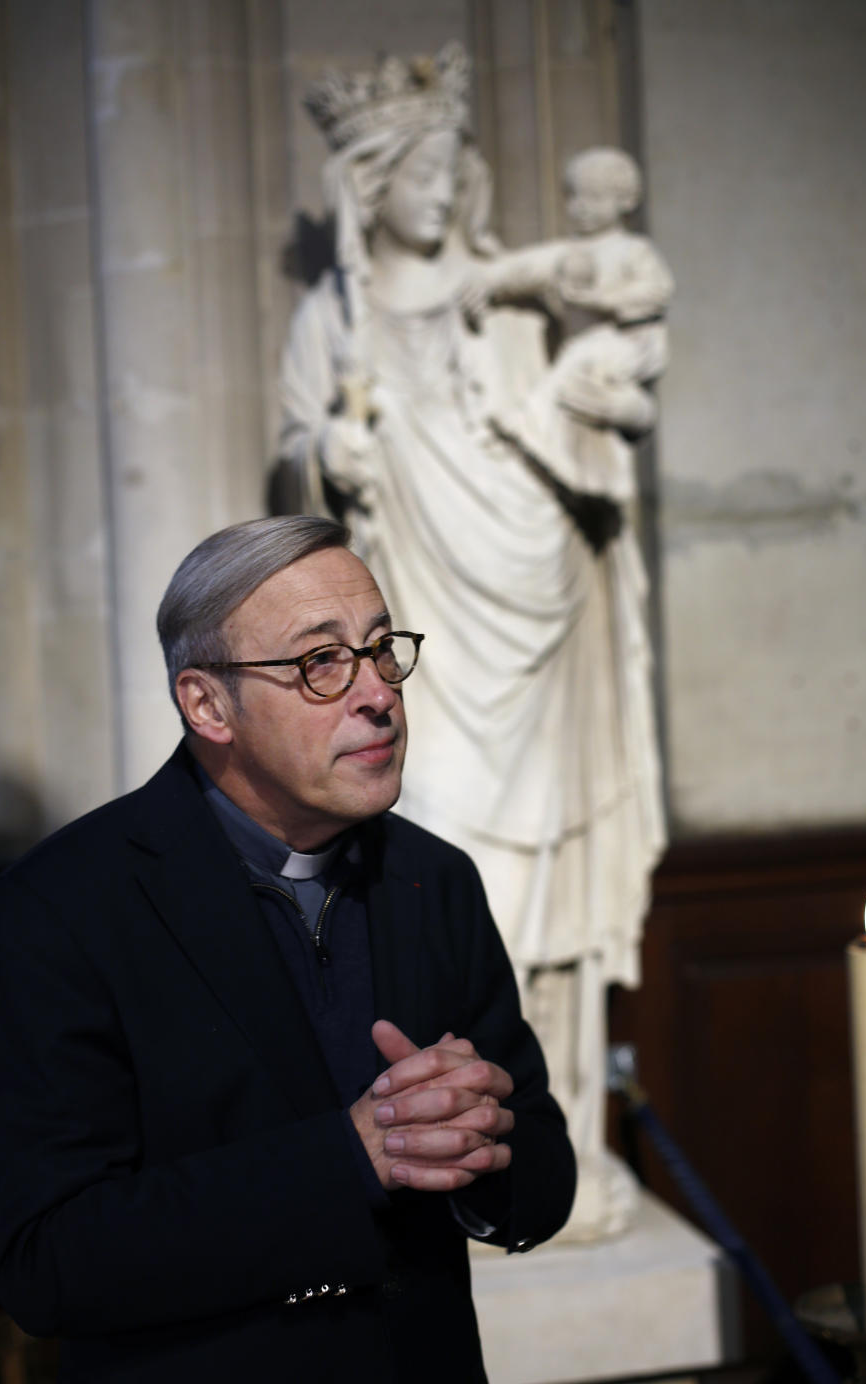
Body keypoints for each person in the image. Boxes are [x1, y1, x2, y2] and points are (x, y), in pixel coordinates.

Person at [0, 514, 575, 1384]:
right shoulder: (59, 909)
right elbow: (50, 1263)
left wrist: (476, 1147)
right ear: (207, 704)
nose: (378, 693)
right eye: (318, 662)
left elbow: (543, 1184)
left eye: (381, 649)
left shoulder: (434, 880)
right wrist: (353, 1161)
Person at [276, 45, 665, 1236]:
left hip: (538, 614)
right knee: (445, 874)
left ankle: (559, 1142)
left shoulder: (511, 301)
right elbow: (297, 459)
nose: (446, 188)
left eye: (457, 164)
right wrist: (324, 457)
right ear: (375, 181)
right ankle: (450, 1142)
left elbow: (586, 437)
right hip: (420, 637)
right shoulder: (331, 319)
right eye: (422, 168)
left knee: (547, 876)